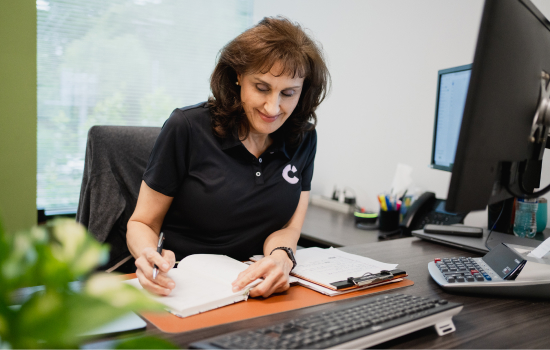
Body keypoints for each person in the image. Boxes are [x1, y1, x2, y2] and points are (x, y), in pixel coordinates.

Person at [127, 16, 330, 298]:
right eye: (261, 88)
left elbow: (287, 227)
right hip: (180, 284)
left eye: (288, 93)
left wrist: (282, 257)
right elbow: (142, 223)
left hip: (250, 288)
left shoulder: (303, 138)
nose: (273, 107)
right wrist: (150, 255)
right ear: (238, 77)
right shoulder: (187, 127)